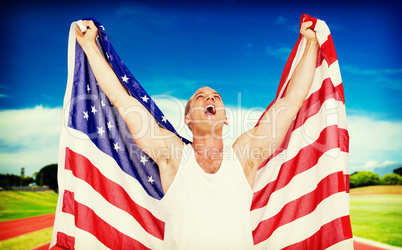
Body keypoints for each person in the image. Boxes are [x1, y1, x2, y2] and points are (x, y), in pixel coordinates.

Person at [75, 19, 318, 249]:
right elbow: (123, 101)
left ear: (225, 118)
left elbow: (292, 101)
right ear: (188, 118)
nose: (210, 98)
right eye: (201, 97)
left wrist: (311, 43)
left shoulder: (245, 156)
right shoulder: (171, 153)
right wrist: (89, 46)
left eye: (216, 97)